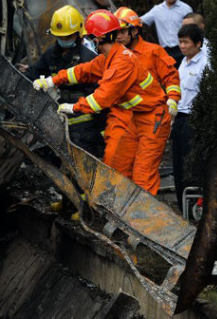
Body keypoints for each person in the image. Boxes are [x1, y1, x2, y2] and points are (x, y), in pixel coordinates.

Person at [33, 10, 171, 195]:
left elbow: (101, 99)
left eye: (91, 37)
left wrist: (73, 107)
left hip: (153, 119)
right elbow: (83, 71)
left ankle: (140, 221)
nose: (89, 42)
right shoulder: (110, 57)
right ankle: (121, 215)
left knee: (142, 176)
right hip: (137, 119)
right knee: (116, 168)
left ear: (98, 39)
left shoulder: (121, 63)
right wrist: (53, 80)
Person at [19, 5, 104, 157]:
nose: (64, 40)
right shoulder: (51, 55)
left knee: (83, 158)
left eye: (68, 37)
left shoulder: (88, 58)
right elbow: (35, 73)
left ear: (78, 34)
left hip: (84, 123)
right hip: (59, 120)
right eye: (60, 37)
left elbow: (101, 94)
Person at [112, 7, 180, 177]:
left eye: (121, 31)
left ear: (134, 30)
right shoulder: (114, 55)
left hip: (150, 119)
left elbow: (171, 77)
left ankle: (144, 203)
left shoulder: (153, 52)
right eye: (115, 32)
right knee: (121, 171)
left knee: (143, 172)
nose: (117, 36)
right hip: (125, 120)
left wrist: (172, 100)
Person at [172, 24, 210, 211]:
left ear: (198, 43)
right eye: (180, 42)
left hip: (193, 120)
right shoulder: (184, 62)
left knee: (191, 164)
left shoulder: (205, 63)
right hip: (179, 117)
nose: (182, 46)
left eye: (186, 42)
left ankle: (195, 206)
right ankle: (181, 206)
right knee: (177, 163)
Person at [141, 0, 192, 66]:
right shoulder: (157, 10)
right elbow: (140, 20)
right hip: (165, 52)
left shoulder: (185, 9)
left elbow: (192, 29)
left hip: (183, 50)